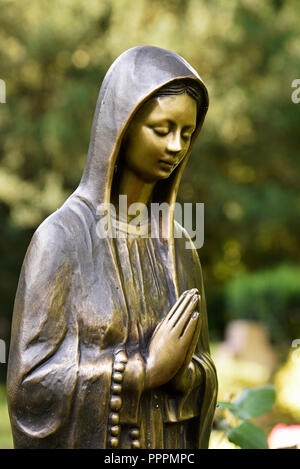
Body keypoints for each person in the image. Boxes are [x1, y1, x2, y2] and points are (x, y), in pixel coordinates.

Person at [7, 46, 218, 449]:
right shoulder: (61, 239)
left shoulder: (180, 246)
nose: (176, 146)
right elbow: (30, 388)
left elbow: (203, 365)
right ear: (120, 127)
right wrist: (144, 371)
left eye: (187, 134)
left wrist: (187, 375)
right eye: (162, 129)